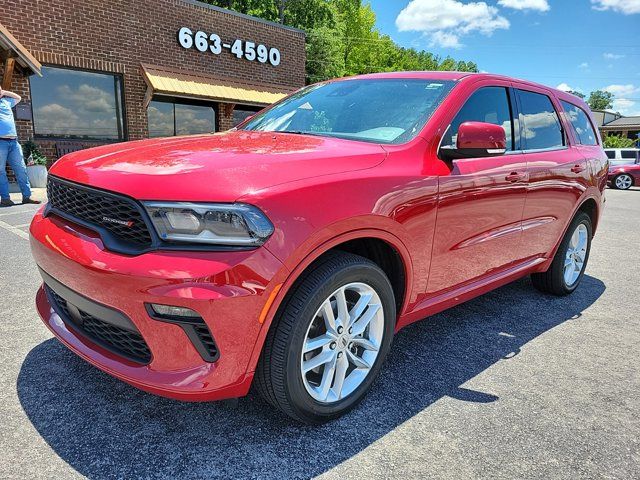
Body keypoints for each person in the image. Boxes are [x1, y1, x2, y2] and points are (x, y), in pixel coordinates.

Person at [0, 88, 40, 207]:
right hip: (0, 142)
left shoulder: (7, 101)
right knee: (0, 171)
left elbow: (18, 97)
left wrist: (4, 92)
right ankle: (5, 199)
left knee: (21, 169)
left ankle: (27, 196)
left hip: (14, 142)